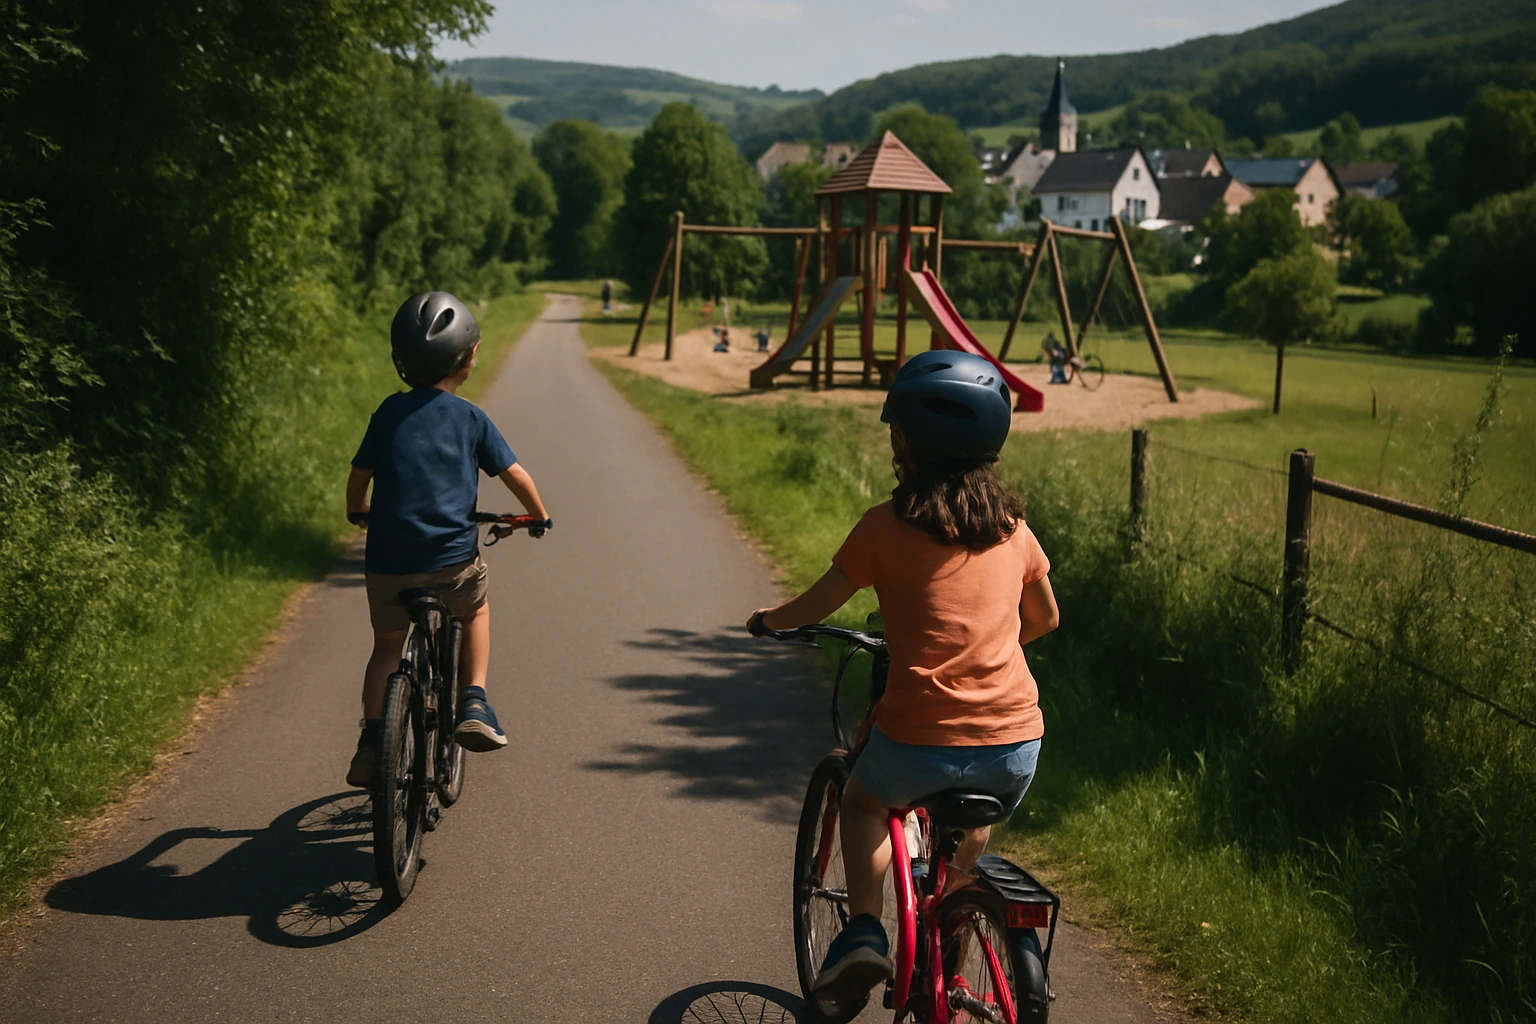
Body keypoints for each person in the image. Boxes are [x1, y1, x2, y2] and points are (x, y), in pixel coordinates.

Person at [748, 350, 1058, 1007]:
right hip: (1015, 746)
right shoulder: (1014, 531)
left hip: (919, 738)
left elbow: (817, 603)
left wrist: (769, 621)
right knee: (968, 831)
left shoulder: (883, 529)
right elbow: (1045, 618)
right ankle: (953, 946)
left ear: (906, 443)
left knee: (863, 801)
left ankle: (864, 931)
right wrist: (991, 646)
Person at [344, 291, 552, 787]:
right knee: (474, 609)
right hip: (451, 561)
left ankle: (372, 742)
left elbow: (360, 473)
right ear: (470, 356)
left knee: (387, 648)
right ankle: (473, 700)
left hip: (388, 563)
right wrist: (538, 514)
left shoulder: (388, 413)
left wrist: (358, 510)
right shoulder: (471, 419)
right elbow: (514, 474)